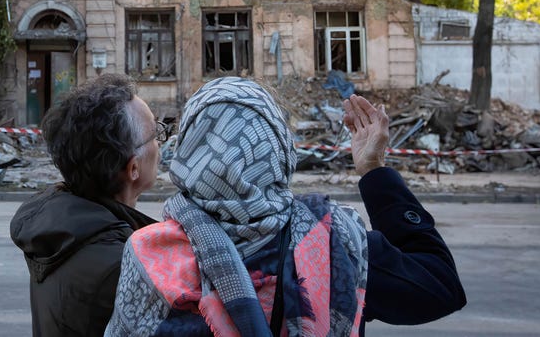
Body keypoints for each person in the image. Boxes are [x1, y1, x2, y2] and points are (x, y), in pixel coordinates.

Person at [106, 77, 466, 336]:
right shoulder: (332, 242)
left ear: (189, 150)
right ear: (278, 150)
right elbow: (439, 288)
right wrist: (374, 171)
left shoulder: (151, 252)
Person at [9, 74, 160, 336]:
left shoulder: (66, 226)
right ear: (133, 167)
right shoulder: (119, 266)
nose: (160, 144)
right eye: (156, 134)